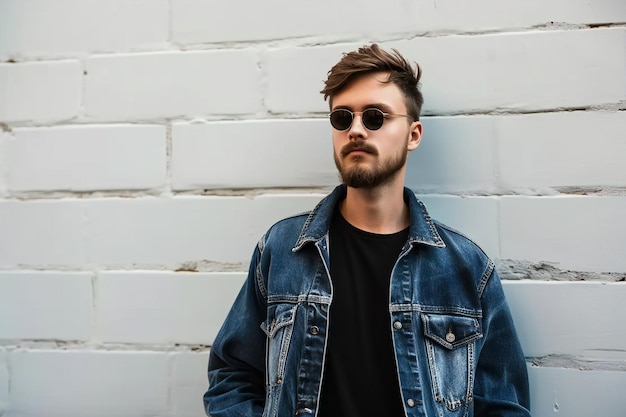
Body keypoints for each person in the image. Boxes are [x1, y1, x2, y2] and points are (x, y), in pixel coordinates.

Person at [203, 44, 531, 417]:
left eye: (375, 117)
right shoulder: (282, 250)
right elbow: (232, 375)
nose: (355, 130)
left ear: (413, 134)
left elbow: (503, 406)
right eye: (342, 118)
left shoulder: (466, 268)